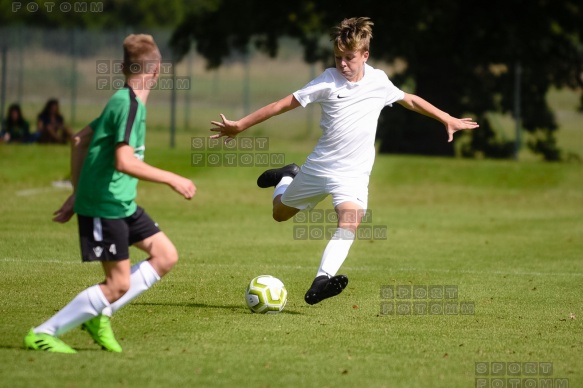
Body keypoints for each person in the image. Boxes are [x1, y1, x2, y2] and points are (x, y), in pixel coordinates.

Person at [210, 17, 479, 305]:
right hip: (320, 167)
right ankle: (287, 176)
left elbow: (409, 100)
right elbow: (280, 105)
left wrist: (446, 118)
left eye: (349, 58)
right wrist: (241, 125)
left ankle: (320, 280)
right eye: (338, 57)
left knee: (350, 221)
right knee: (279, 213)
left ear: (365, 55)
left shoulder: (378, 81)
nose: (343, 64)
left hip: (353, 174)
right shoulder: (327, 81)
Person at [24, 34, 196, 353]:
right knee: (117, 284)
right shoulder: (129, 105)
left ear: (122, 67)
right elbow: (124, 159)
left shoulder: (121, 100)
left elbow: (78, 140)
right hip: (106, 205)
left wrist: (77, 194)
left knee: (165, 255)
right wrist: (172, 178)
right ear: (157, 71)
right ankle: (44, 333)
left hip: (120, 201)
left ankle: (100, 313)